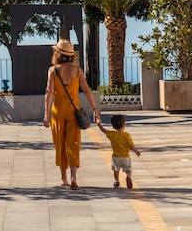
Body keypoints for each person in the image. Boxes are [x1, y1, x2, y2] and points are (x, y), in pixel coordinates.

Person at [43, 38, 100, 190]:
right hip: (74, 109)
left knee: (60, 143)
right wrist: (95, 110)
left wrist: (46, 114)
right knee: (73, 143)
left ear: (58, 53)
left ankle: (63, 178)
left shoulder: (53, 70)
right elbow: (87, 90)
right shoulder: (77, 70)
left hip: (58, 110)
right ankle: (74, 177)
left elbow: (49, 92)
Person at [97, 114, 141, 189]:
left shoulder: (112, 134)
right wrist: (136, 151)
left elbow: (103, 130)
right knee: (128, 169)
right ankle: (128, 176)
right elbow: (131, 146)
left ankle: (117, 181)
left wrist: (99, 124)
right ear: (124, 125)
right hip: (125, 157)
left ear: (113, 126)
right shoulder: (126, 135)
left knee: (116, 170)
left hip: (116, 157)